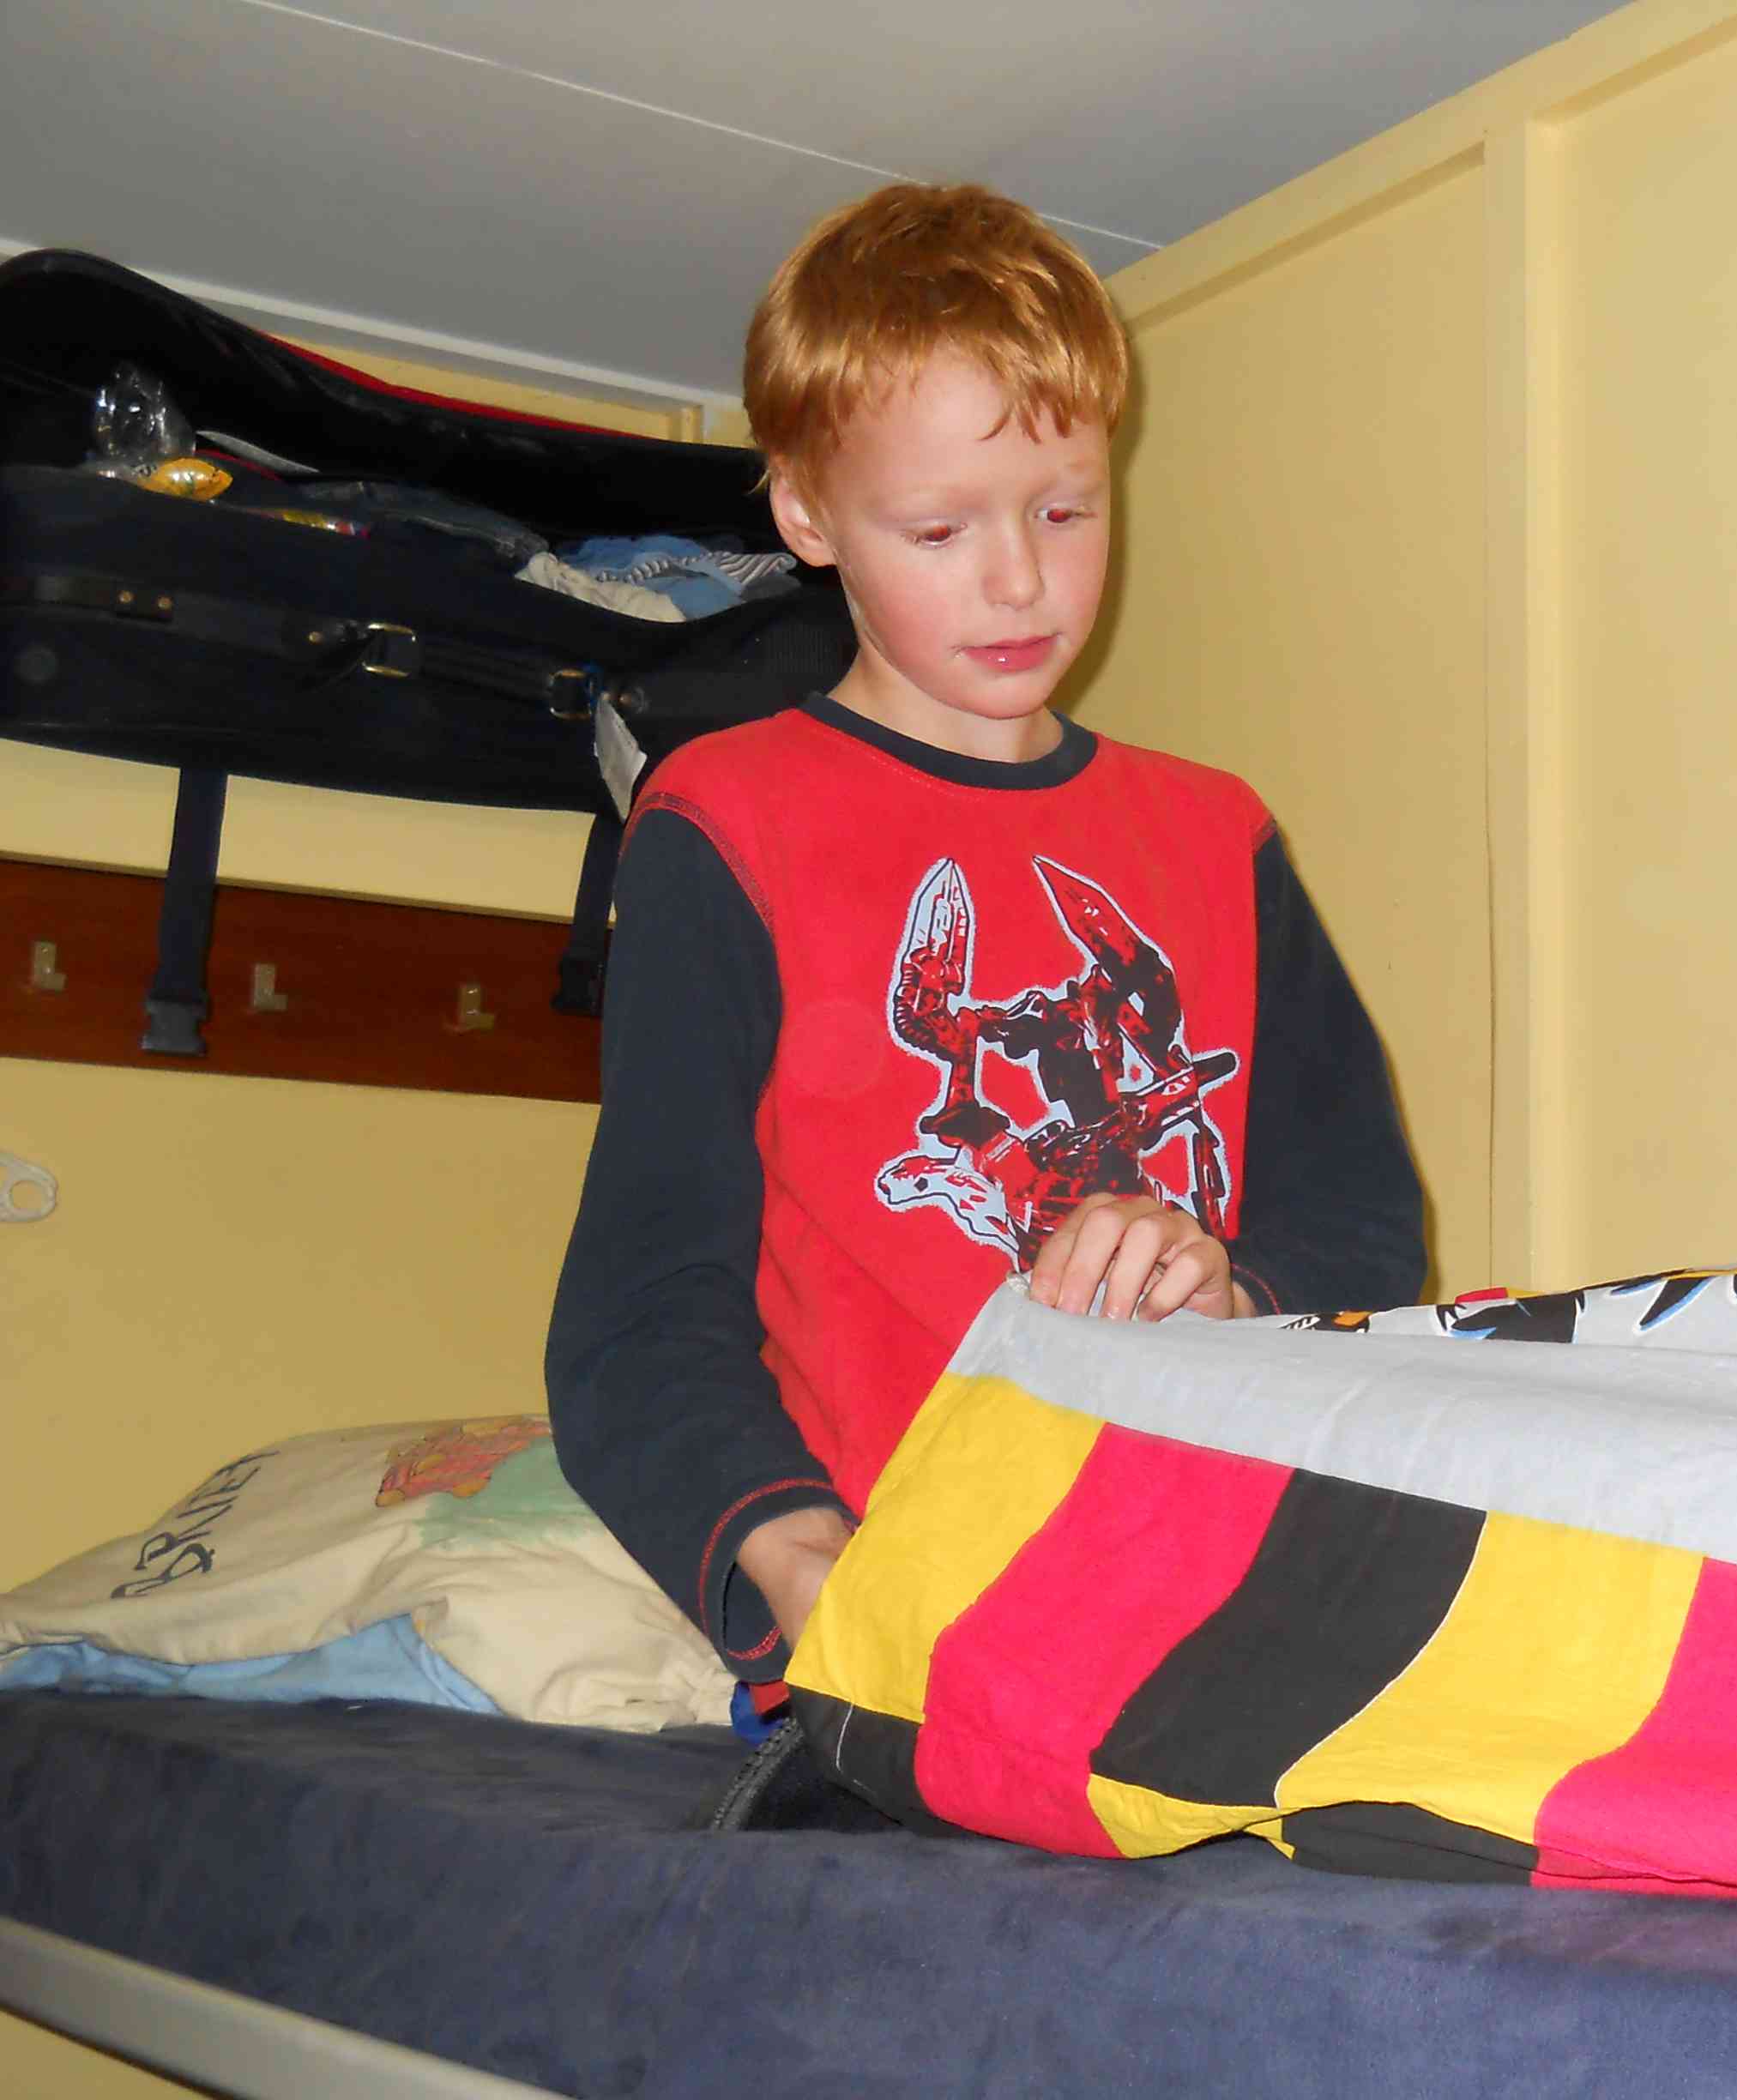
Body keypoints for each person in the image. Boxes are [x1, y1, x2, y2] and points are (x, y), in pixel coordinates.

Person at [545, 183, 1426, 1690]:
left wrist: (1230, 1286)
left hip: (1237, 1580)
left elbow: (1361, 1224)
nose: (1020, 579)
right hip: (929, 1614)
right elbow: (640, 1313)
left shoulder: (1218, 833)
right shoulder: (727, 824)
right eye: (942, 527)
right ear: (806, 516)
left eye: (1065, 510)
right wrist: (809, 1568)